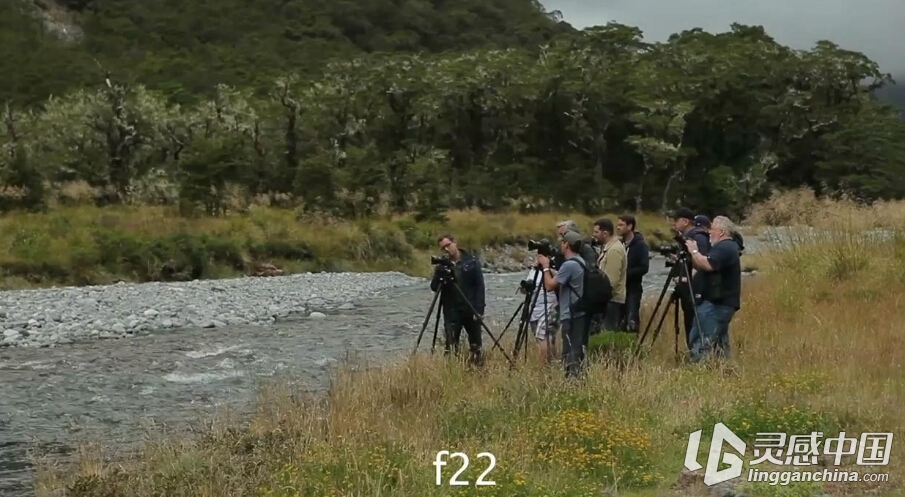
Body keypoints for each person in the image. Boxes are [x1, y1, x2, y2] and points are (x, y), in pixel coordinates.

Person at [684, 216, 742, 362]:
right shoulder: (727, 247)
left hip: (716, 304)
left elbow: (708, 265)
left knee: (701, 343)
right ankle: (725, 376)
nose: (709, 232)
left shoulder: (725, 247)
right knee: (719, 346)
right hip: (721, 303)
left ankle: (699, 375)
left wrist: (694, 251)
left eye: (712, 229)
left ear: (721, 232)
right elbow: (703, 266)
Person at [536, 230, 588, 378]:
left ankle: (572, 380)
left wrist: (545, 267)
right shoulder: (579, 261)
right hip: (579, 312)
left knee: (570, 350)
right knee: (576, 349)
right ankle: (575, 377)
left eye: (562, 242)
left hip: (570, 314)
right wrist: (551, 269)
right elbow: (562, 276)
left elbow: (550, 286)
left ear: (567, 245)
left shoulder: (569, 265)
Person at [430, 234, 485, 365]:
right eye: (443, 248)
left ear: (455, 243)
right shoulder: (443, 265)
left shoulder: (471, 261)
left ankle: (478, 368)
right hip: (452, 311)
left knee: (476, 344)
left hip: (471, 309)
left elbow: (480, 286)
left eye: (448, 245)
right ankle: (453, 370)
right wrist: (439, 273)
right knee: (451, 345)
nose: (447, 250)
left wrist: (479, 309)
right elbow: (434, 287)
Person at [670, 208, 711, 349]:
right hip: (687, 289)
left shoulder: (697, 237)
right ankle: (692, 350)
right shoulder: (686, 238)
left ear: (685, 221)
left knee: (693, 323)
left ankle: (697, 352)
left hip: (695, 290)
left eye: (676, 221)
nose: (674, 224)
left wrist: (688, 279)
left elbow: (702, 263)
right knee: (688, 321)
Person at [591, 218, 627, 333]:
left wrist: (598, 295)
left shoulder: (614, 250)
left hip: (612, 301)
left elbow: (612, 281)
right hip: (607, 300)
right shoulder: (608, 247)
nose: (594, 235)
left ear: (605, 233)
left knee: (607, 333)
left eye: (596, 232)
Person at [617, 214, 649, 333]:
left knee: (632, 318)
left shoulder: (641, 245)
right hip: (619, 289)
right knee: (619, 320)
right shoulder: (619, 245)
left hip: (633, 288)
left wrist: (625, 275)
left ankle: (633, 346)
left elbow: (644, 268)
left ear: (630, 226)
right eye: (617, 225)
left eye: (621, 225)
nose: (618, 227)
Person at [521, 266, 558, 365]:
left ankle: (546, 368)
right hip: (534, 310)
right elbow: (526, 290)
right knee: (540, 338)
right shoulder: (534, 270)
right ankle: (551, 365)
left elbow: (553, 286)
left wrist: (546, 267)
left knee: (544, 338)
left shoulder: (550, 269)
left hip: (548, 308)